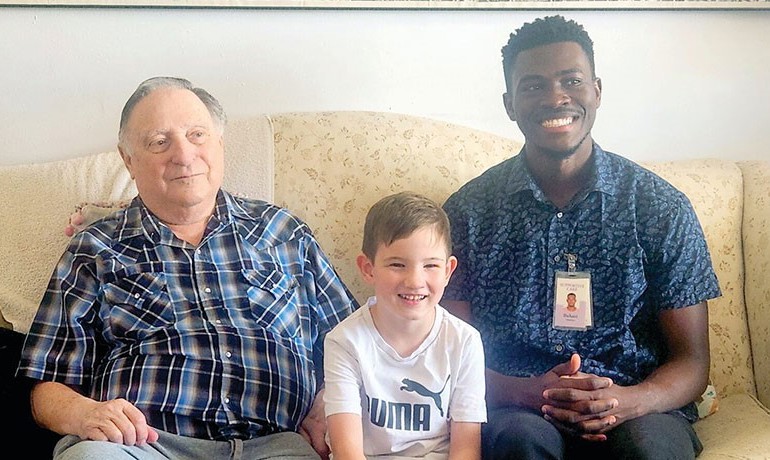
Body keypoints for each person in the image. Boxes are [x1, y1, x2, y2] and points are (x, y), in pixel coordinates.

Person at [17, 76, 357, 460]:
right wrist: (84, 414)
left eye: (197, 135)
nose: (183, 154)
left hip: (275, 445)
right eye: (159, 142)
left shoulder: (283, 232)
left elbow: (359, 343)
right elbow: (46, 386)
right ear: (128, 160)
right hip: (143, 445)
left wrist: (330, 400)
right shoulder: (95, 247)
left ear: (220, 144)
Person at [441, 15, 721, 460]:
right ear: (509, 103)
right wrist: (531, 393)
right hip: (518, 405)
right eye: (533, 86)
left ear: (597, 90)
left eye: (571, 80)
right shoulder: (469, 213)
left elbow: (692, 362)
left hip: (637, 402)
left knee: (651, 452)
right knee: (519, 444)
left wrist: (629, 401)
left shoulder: (659, 207)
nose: (556, 98)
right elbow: (446, 353)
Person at [323, 192, 487, 460]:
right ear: (368, 268)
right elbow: (346, 452)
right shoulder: (344, 341)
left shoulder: (464, 341)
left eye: (431, 265)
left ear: (448, 271)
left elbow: (466, 450)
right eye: (397, 265)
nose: (414, 281)